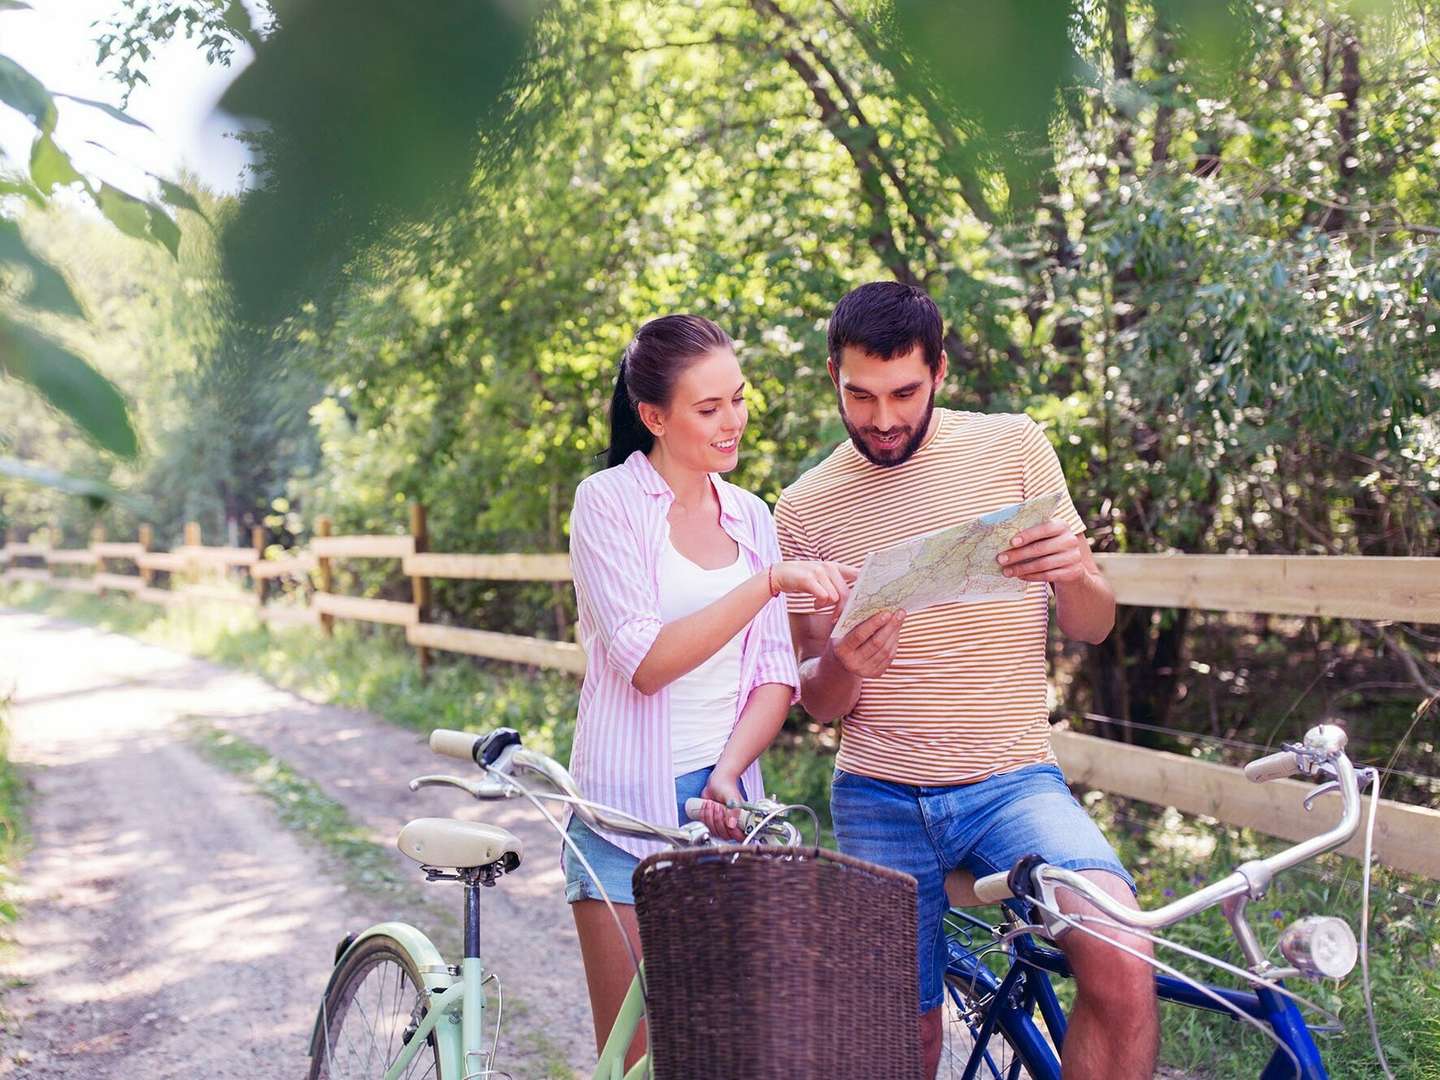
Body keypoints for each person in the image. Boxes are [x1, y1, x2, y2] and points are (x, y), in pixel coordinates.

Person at [774, 282, 1159, 1079]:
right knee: (903, 1043)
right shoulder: (805, 506)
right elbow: (815, 700)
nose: (883, 418)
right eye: (861, 395)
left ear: (940, 371)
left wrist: (1076, 573)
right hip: (878, 794)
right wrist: (844, 665)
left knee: (1122, 953)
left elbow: (1092, 625)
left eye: (905, 393)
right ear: (833, 379)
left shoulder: (1013, 446)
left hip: (1015, 781)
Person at [565, 313, 857, 1064]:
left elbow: (774, 673)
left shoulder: (751, 513)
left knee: (725, 1050)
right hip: (619, 812)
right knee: (635, 1058)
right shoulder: (606, 504)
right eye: (709, 408)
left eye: (739, 398)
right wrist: (766, 584)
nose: (733, 422)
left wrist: (729, 775)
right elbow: (647, 660)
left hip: (724, 808)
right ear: (654, 417)